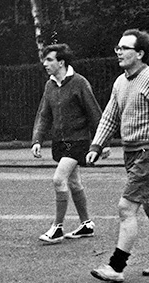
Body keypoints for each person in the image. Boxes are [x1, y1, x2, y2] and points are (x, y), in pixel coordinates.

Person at [86, 29, 149, 283]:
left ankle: (116, 267)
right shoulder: (120, 82)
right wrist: (96, 146)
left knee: (126, 207)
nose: (119, 52)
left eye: (125, 48)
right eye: (118, 48)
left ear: (140, 53)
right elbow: (110, 116)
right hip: (132, 152)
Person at [32, 43, 107, 244]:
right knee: (74, 182)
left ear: (61, 62)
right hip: (60, 142)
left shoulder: (79, 83)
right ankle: (86, 224)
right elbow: (44, 114)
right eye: (44, 59)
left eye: (49, 60)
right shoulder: (50, 85)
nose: (45, 63)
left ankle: (57, 227)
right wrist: (37, 140)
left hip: (78, 141)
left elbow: (94, 112)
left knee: (59, 179)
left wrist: (103, 142)